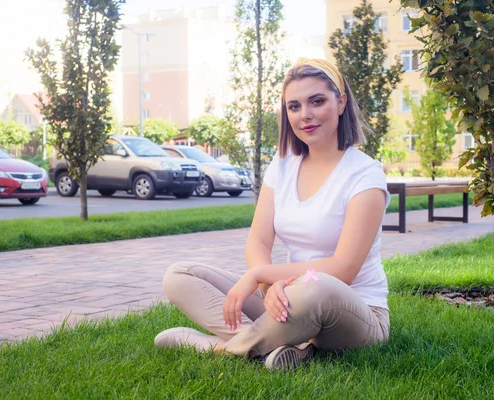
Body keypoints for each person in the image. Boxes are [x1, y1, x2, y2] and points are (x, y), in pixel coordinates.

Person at [155, 57, 391, 371]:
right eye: (293, 106)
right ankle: (288, 345)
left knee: (314, 288)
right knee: (180, 275)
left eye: (316, 101)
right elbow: (258, 240)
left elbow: (343, 269)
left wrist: (259, 276)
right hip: (290, 295)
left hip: (354, 309)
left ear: (341, 102)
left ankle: (219, 348)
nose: (304, 115)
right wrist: (269, 290)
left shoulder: (365, 174)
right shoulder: (281, 166)